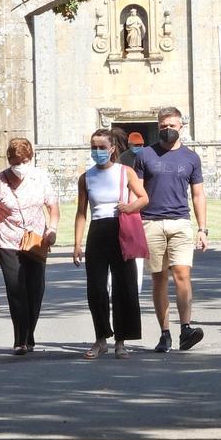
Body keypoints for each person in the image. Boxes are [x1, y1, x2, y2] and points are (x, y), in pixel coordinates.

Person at [134, 107, 208, 352]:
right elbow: (138, 192)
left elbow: (198, 194)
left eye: (172, 126)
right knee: (159, 279)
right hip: (151, 223)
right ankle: (164, 333)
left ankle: (185, 328)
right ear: (158, 127)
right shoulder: (145, 156)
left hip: (181, 222)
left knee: (182, 275)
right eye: (163, 126)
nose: (168, 130)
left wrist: (203, 228)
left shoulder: (191, 158)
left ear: (181, 127)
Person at [73, 129, 148, 359]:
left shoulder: (125, 172)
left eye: (101, 147)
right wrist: (77, 243)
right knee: (96, 288)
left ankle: (121, 341)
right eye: (93, 147)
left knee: (124, 286)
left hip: (120, 229)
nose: (97, 152)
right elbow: (81, 212)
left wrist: (130, 207)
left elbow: (144, 198)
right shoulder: (86, 177)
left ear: (112, 148)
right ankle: (100, 338)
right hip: (97, 231)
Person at [0, 138, 59, 355]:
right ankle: (20, 339)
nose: (19, 167)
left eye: (23, 161)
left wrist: (51, 229)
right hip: (8, 240)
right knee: (16, 289)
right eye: (15, 162)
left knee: (36, 289)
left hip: (35, 240)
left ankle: (29, 332)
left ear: (30, 158)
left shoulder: (40, 177)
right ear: (9, 160)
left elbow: (53, 206)